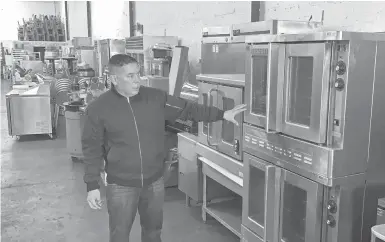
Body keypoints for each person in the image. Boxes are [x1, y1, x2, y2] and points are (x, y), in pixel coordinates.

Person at [81, 54, 247, 242]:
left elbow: (188, 109)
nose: (137, 81)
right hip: (121, 184)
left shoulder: (155, 98)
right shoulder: (98, 108)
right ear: (114, 79)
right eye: (130, 76)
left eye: (138, 74)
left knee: (153, 232)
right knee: (119, 235)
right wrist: (92, 185)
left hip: (154, 182)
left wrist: (223, 114)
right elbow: (91, 148)